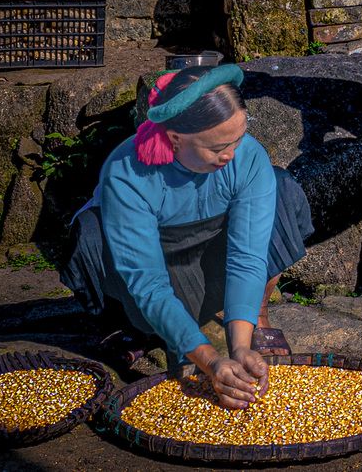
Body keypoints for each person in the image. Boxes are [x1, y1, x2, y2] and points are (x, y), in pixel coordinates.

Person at [60, 64, 314, 409]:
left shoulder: (246, 156)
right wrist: (210, 360)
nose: (232, 154)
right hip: (159, 253)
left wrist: (239, 347)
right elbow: (149, 282)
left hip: (210, 244)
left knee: (280, 185)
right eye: (218, 147)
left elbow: (247, 257)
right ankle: (129, 324)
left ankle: (248, 313)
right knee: (90, 234)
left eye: (239, 138)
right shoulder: (127, 173)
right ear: (175, 139)